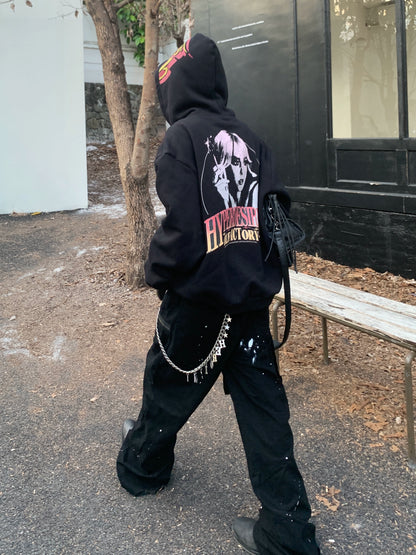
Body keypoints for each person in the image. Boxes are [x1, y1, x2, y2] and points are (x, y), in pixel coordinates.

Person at [116, 33, 320, 555]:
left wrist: (157, 273)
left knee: (166, 388)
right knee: (264, 412)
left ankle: (144, 468)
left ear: (174, 89)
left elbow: (182, 230)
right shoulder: (253, 139)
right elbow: (277, 218)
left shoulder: (180, 139)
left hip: (198, 306)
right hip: (250, 306)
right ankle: (289, 534)